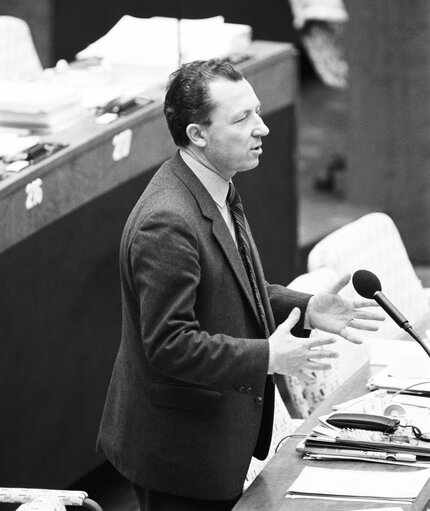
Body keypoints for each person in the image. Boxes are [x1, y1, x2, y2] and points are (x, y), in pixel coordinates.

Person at [97, 58, 383, 511]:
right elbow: (170, 344)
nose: (262, 128)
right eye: (242, 118)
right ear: (198, 134)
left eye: (257, 111)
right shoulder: (167, 221)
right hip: (178, 453)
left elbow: (231, 288)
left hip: (213, 437)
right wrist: (269, 356)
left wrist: (306, 307)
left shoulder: (215, 183)